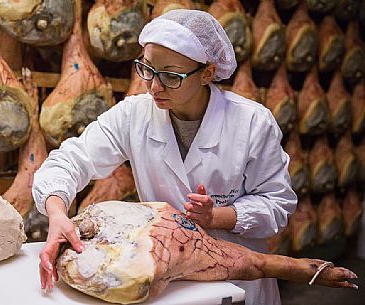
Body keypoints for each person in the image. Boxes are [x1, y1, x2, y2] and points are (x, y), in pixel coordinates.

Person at [32, 9, 297, 305]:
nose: (154, 87)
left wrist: (218, 217)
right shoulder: (134, 114)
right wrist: (56, 211)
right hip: (161, 279)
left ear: (207, 73)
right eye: (147, 70)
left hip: (235, 282)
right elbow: (71, 159)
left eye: (171, 76)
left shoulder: (252, 123)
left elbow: (277, 205)